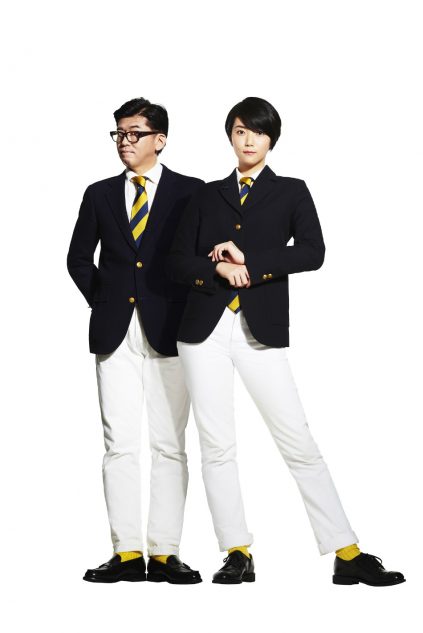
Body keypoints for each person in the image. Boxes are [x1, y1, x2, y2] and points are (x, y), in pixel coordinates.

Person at [167, 96, 405, 586]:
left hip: (260, 331)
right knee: (217, 445)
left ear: (271, 138)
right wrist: (218, 269)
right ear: (230, 136)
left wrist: (249, 263)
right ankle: (237, 551)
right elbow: (176, 262)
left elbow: (313, 252)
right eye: (239, 130)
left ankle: (346, 550)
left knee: (297, 438)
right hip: (202, 331)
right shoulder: (206, 196)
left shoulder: (292, 191)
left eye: (257, 131)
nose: (248, 139)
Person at [67, 97, 203, 584]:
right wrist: (105, 299)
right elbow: (78, 258)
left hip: (172, 329)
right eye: (119, 134)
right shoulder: (99, 194)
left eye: (135, 133)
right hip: (114, 331)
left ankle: (165, 552)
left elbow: (201, 257)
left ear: (159, 140)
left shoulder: (191, 193)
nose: (124, 142)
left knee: (170, 444)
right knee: (118, 443)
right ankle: (125, 553)